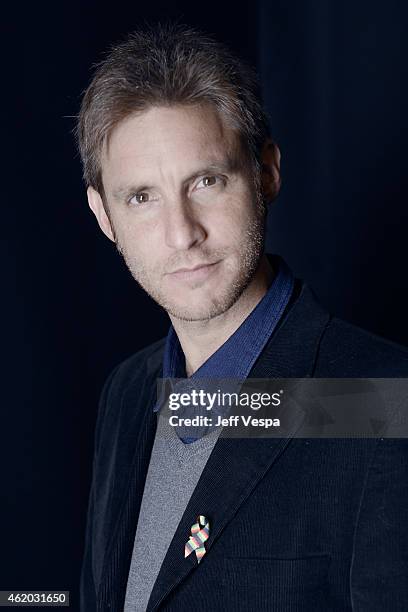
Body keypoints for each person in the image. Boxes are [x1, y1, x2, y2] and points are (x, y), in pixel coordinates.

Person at [77, 24, 408, 612]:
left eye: (207, 181)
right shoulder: (126, 393)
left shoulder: (387, 404)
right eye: (142, 198)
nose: (182, 234)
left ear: (267, 173)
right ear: (104, 215)